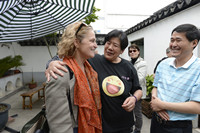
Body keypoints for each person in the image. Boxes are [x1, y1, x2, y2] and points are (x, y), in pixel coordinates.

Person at [45, 29, 143, 133]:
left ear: (122, 51)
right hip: (101, 125)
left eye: (115, 45)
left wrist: (134, 98)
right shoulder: (93, 60)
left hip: (124, 125)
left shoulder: (128, 67)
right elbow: (69, 58)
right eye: (108, 43)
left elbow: (138, 90)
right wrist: (51, 63)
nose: (110, 47)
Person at [45, 21, 102, 133]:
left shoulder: (89, 69)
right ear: (76, 42)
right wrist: (50, 64)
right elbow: (59, 125)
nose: (96, 45)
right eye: (92, 41)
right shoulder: (60, 73)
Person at [150, 24, 200, 133]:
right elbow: (156, 86)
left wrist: (162, 105)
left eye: (178, 40)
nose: (173, 44)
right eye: (172, 40)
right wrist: (155, 100)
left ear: (194, 43)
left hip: (178, 127)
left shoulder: (198, 68)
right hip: (156, 122)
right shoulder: (163, 63)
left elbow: (197, 107)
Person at [128, 44, 147, 133]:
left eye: (134, 51)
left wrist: (127, 81)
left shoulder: (142, 63)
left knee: (137, 113)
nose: (132, 52)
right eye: (130, 51)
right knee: (129, 112)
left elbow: (140, 78)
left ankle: (137, 130)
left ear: (138, 52)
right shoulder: (128, 62)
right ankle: (130, 128)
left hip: (137, 91)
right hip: (128, 91)